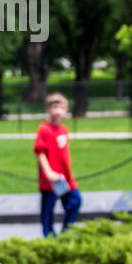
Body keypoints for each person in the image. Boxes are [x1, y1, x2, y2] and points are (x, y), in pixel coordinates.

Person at [34, 91, 82, 237]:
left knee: (75, 201)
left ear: (65, 110)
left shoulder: (63, 130)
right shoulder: (44, 129)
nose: (57, 111)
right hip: (50, 180)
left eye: (60, 107)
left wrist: (68, 175)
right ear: (48, 109)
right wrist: (48, 172)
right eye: (53, 107)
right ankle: (49, 238)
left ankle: (66, 233)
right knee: (48, 212)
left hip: (64, 179)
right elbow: (40, 152)